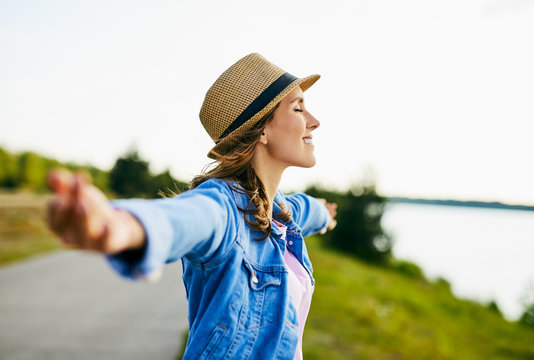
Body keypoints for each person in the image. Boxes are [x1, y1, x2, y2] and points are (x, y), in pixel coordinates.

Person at [46, 53, 337, 359]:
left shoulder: (277, 211)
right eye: (298, 108)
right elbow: (180, 219)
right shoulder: (222, 209)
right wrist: (119, 225)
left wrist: (323, 214)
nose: (314, 121)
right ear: (262, 129)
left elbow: (304, 210)